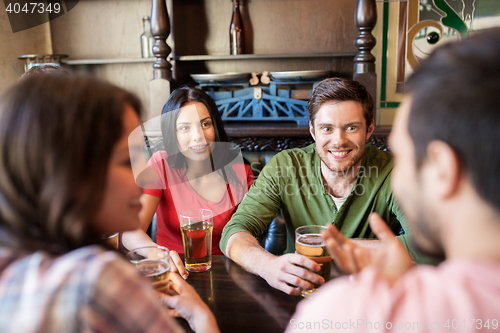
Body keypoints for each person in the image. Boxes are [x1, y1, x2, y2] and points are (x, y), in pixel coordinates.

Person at [286, 29, 500, 332]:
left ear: (443, 169)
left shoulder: (345, 313)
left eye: (403, 156)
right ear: (313, 131)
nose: (394, 175)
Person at [0, 74, 219, 333]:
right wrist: (202, 317)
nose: (140, 184)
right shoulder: (99, 279)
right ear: (70, 174)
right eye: (127, 162)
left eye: (205, 124)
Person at [220, 77, 435, 296]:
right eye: (327, 128)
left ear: (369, 129)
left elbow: (430, 247)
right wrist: (268, 266)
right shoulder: (285, 166)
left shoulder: (394, 171)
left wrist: (338, 247)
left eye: (351, 127)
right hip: (298, 294)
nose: (339, 140)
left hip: (368, 296)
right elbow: (233, 233)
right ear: (313, 131)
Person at [122, 87, 254, 277]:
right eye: (185, 128)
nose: (198, 136)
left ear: (215, 127)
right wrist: (158, 253)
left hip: (224, 272)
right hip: (171, 269)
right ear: (172, 133)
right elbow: (130, 230)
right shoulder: (161, 165)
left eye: (205, 124)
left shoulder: (240, 172)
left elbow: (248, 234)